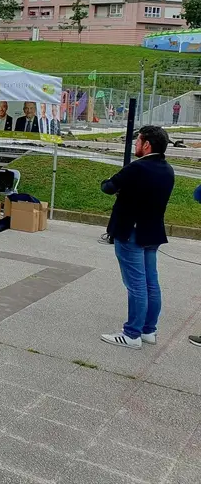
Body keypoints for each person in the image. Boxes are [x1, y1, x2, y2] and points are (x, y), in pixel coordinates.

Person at [100, 125, 175, 349]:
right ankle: (148, 330)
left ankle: (131, 333)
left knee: (136, 285)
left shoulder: (137, 168)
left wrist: (115, 185)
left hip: (130, 231)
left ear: (147, 144)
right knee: (151, 283)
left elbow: (108, 187)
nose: (136, 144)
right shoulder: (168, 170)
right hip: (152, 231)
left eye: (138, 141)